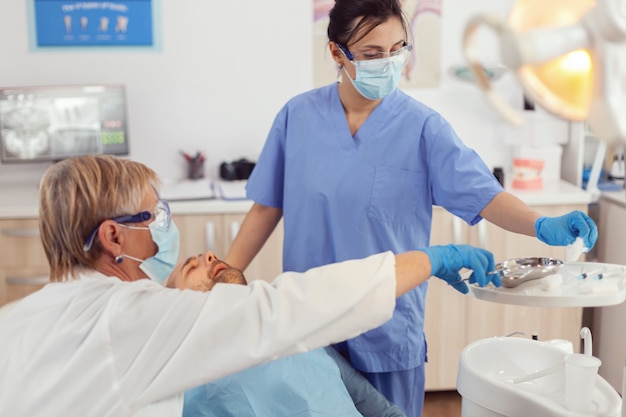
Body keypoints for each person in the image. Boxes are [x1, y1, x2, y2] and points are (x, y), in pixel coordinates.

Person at [223, 1, 599, 416]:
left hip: (386, 327)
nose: (388, 64)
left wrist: (541, 223)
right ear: (336, 54)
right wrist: (222, 284)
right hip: (309, 321)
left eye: (397, 49)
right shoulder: (297, 117)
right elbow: (265, 208)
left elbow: (484, 195)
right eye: (370, 54)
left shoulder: (422, 127)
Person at [0, 154, 500, 417]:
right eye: (156, 215)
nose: (168, 228)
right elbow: (287, 308)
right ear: (113, 235)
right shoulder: (138, 318)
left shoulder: (16, 323)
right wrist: (432, 258)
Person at [165, 251, 406, 417]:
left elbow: (382, 412)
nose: (210, 255)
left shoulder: (299, 332)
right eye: (190, 267)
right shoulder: (185, 392)